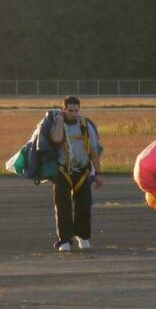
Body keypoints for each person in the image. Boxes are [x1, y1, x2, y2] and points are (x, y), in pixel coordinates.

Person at [51, 96, 104, 252]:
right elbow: (56, 139)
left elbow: (94, 151)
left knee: (84, 205)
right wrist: (60, 120)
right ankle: (65, 240)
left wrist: (98, 173)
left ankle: (83, 236)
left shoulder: (85, 126)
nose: (74, 114)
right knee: (63, 206)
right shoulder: (57, 125)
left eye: (76, 110)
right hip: (63, 171)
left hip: (82, 171)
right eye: (70, 110)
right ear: (64, 109)